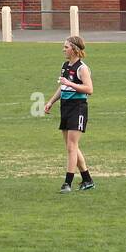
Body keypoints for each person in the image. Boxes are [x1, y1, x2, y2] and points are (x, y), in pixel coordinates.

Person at [43, 35, 94, 192]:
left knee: (72, 146)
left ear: (74, 49)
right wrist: (51, 102)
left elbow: (89, 89)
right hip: (65, 107)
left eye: (66, 47)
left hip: (77, 108)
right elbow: (62, 88)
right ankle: (87, 179)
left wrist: (70, 83)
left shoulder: (82, 68)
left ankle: (67, 183)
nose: (63, 49)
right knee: (71, 146)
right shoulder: (65, 66)